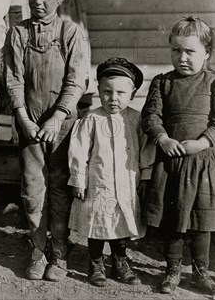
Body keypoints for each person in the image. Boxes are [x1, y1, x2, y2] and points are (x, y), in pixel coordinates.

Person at [3, 0, 88, 281]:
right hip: (29, 125)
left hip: (62, 126)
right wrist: (23, 117)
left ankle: (60, 254)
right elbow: (13, 80)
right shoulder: (18, 32)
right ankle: (38, 251)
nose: (38, 1)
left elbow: (77, 80)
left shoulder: (71, 32)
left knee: (60, 189)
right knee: (32, 189)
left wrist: (58, 116)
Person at [141, 16, 215, 296]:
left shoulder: (214, 83)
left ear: (207, 53)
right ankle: (172, 269)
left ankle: (200, 272)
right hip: (171, 162)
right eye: (176, 50)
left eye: (190, 51)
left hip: (201, 164)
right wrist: (162, 137)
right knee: (171, 218)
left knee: (201, 221)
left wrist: (203, 143)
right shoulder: (162, 82)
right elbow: (150, 116)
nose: (182, 57)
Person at [68, 58, 150, 287]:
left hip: (126, 184)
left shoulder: (136, 119)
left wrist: (145, 176)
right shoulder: (92, 118)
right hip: (98, 185)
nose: (113, 99)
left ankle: (120, 263)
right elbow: (79, 151)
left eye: (121, 93)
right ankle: (95, 264)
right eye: (107, 92)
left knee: (121, 225)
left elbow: (146, 150)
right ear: (99, 91)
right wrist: (78, 179)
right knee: (96, 225)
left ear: (132, 94)